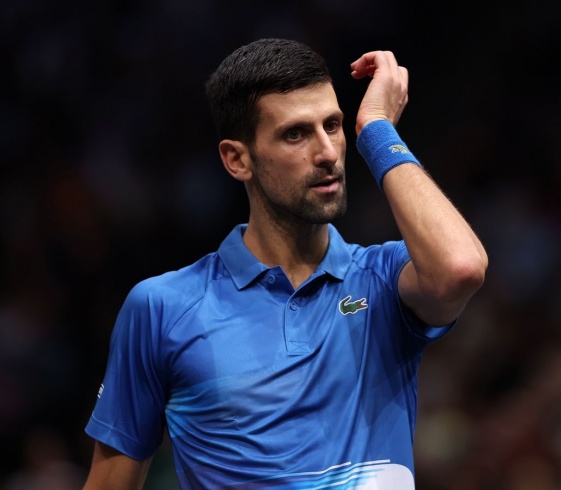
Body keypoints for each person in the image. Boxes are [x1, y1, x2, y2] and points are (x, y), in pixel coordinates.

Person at [82, 38, 488, 490]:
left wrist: (376, 130)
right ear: (237, 159)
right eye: (295, 134)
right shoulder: (162, 308)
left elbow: (460, 268)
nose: (328, 152)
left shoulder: (383, 278)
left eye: (332, 126)